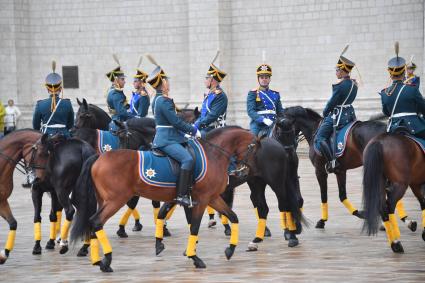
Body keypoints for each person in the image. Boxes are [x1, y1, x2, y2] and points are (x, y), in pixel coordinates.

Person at [146, 54, 201, 207]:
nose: (168, 83)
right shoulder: (164, 101)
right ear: (162, 83)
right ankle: (181, 195)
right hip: (167, 139)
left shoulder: (157, 99)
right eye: (166, 80)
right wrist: (193, 130)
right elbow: (175, 121)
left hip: (170, 136)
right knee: (187, 159)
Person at [313, 45, 358, 173]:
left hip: (338, 116)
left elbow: (331, 103)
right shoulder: (354, 84)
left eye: (337, 70)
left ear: (343, 70)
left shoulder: (340, 86)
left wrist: (325, 112)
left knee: (320, 137)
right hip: (350, 114)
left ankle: (333, 162)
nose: (336, 72)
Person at [380, 42, 425, 139]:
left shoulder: (384, 93)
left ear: (390, 74)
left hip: (393, 128)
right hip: (414, 126)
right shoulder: (412, 89)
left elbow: (386, 113)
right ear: (404, 72)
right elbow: (423, 107)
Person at [33, 61, 74, 137]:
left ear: (48, 89)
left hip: (46, 136)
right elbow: (71, 124)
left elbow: (36, 125)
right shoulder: (67, 103)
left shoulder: (40, 104)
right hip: (64, 136)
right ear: (60, 89)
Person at [247, 58, 284, 137]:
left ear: (269, 79)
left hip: (273, 124)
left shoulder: (275, 94)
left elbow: (280, 112)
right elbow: (251, 111)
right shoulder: (253, 93)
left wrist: (283, 120)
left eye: (266, 77)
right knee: (252, 143)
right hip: (258, 125)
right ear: (258, 79)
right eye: (262, 77)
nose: (264, 79)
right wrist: (263, 120)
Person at [194, 51, 228, 134]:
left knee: (194, 140)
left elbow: (212, 116)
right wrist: (195, 124)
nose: (205, 80)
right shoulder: (210, 94)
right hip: (206, 127)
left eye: (207, 78)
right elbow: (203, 114)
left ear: (212, 80)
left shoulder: (220, 95)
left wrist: (197, 125)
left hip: (216, 129)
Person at [106, 54, 136, 131]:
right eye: (122, 79)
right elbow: (122, 113)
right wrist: (135, 118)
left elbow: (125, 107)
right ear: (116, 80)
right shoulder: (116, 93)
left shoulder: (113, 91)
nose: (124, 81)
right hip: (119, 123)